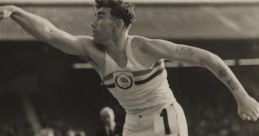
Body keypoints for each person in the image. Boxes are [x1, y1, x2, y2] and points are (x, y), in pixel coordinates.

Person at [1, 0, 259, 135]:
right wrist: (15, 11)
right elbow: (49, 32)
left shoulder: (145, 48)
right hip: (133, 124)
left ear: (118, 25)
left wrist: (242, 96)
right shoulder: (92, 51)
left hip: (165, 117)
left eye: (100, 17)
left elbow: (207, 57)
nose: (92, 24)